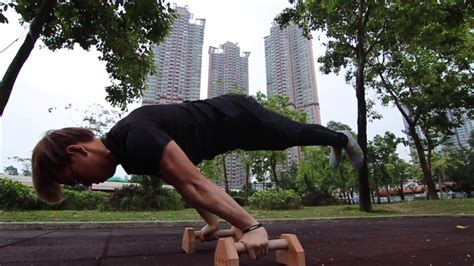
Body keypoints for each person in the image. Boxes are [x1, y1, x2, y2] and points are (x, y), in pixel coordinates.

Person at [32, 94, 363, 260]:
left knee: (291, 134)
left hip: (237, 116)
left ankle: (341, 139)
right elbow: (182, 182)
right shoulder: (129, 157)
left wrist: (252, 226)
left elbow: (192, 181)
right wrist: (211, 223)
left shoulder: (135, 135)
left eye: (75, 179)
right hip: (226, 137)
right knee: (290, 136)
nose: (86, 186)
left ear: (77, 151)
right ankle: (336, 139)